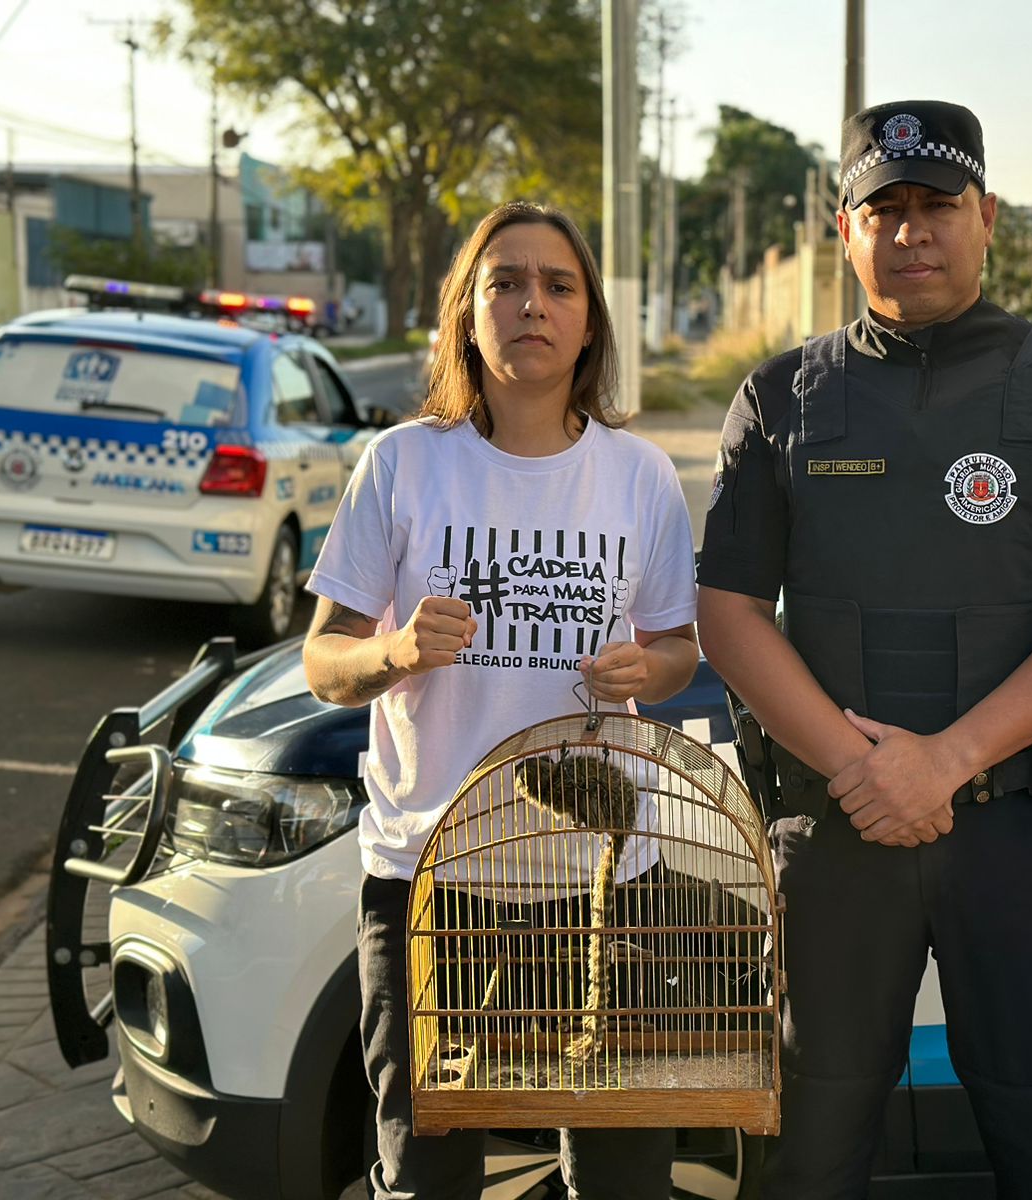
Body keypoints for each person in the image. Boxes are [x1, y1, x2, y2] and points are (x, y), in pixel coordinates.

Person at [697, 100, 1032, 1199]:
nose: (912, 231)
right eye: (884, 209)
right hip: (839, 839)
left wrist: (943, 761)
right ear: (844, 232)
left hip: (1017, 837)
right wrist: (868, 777)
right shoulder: (780, 396)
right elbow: (727, 614)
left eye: (937, 206)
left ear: (986, 216)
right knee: (808, 1151)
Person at [302, 200, 699, 1200]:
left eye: (558, 286)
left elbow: (679, 650)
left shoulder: (641, 474)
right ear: (467, 315)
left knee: (621, 1176)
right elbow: (322, 660)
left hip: (604, 880)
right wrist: (392, 651)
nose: (533, 304)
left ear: (590, 320)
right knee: (424, 1170)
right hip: (432, 877)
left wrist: (645, 674)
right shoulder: (402, 463)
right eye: (505, 283)